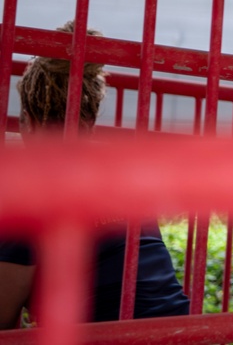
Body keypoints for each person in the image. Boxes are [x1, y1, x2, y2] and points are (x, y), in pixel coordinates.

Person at [0, 21, 191, 329]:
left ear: (27, 120)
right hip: (182, 330)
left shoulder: (29, 192)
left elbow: (2, 318)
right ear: (90, 123)